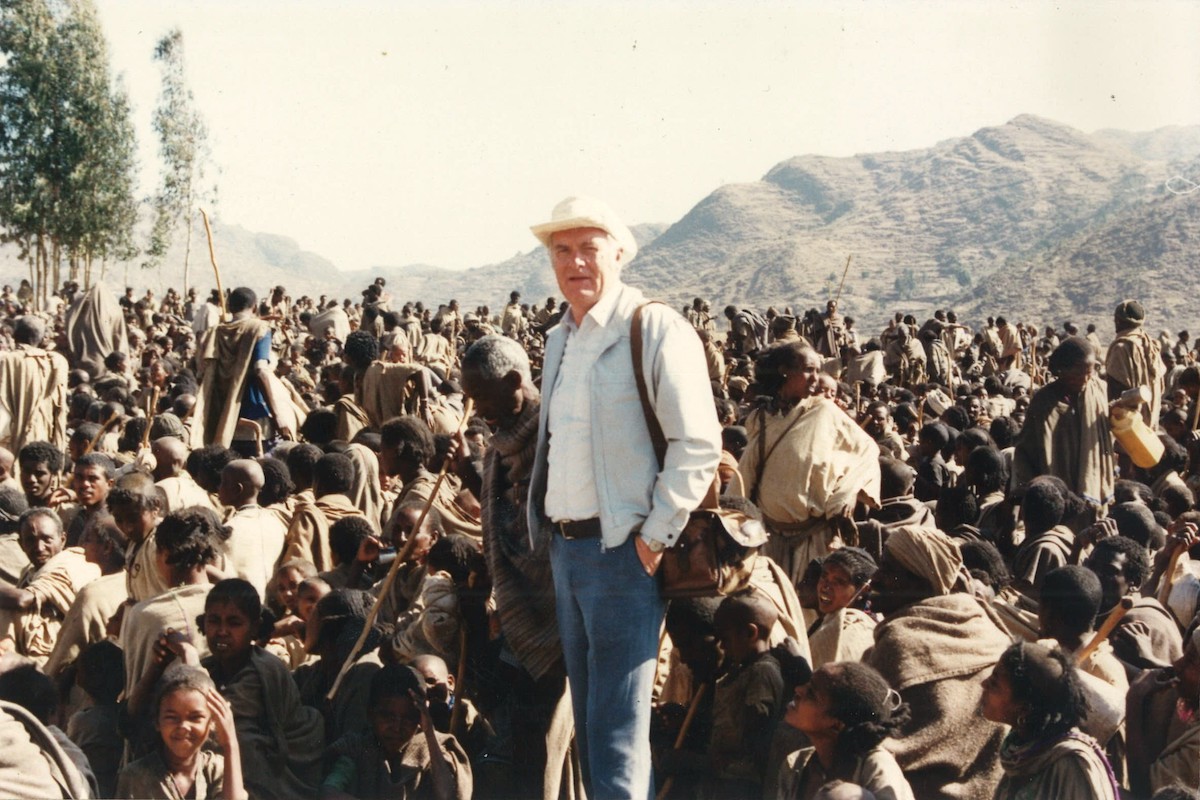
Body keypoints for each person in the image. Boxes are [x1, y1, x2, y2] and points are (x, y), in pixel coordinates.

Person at [525, 196, 722, 798]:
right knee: (592, 726)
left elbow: (698, 444)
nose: (576, 262)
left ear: (618, 253)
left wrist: (652, 540)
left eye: (589, 249)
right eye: (563, 251)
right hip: (569, 553)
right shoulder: (562, 337)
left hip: (622, 556)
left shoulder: (654, 327)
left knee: (616, 733)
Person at [864, 526, 1011, 800]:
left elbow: (859, 726)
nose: (876, 578)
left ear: (921, 582)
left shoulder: (900, 639)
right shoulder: (987, 625)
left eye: (889, 570)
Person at [734, 341, 881, 583]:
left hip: (815, 540)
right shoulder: (760, 419)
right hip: (767, 539)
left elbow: (866, 450)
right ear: (784, 371)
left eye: (817, 370)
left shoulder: (826, 411)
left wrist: (844, 494)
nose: (815, 377)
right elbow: (747, 474)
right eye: (808, 370)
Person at [980, 641, 1119, 800]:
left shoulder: (1069, 766)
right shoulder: (1023, 749)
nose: (983, 684)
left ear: (1024, 708)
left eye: (994, 683)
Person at [321, 663, 472, 800]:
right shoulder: (357, 747)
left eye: (408, 718)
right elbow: (329, 791)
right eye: (387, 716)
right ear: (370, 714)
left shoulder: (434, 750)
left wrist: (430, 734)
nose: (397, 727)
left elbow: (448, 795)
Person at [774, 661, 914, 800]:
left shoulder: (877, 767)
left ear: (836, 725)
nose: (798, 689)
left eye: (811, 693)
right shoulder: (795, 765)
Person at [116, 664, 248, 800]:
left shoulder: (216, 769)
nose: (183, 726)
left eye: (195, 717)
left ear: (212, 722)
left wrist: (230, 742)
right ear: (157, 721)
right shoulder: (137, 776)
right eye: (172, 717)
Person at [1012, 336, 1114, 507]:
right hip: (1058, 487)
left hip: (1093, 486)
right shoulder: (1044, 402)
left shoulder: (1098, 390)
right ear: (1062, 372)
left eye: (1089, 373)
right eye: (1077, 375)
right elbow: (1026, 449)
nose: (1085, 380)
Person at [193, 287, 297, 453]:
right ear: (254, 307)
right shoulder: (259, 329)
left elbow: (202, 374)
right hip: (253, 415)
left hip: (220, 417)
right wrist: (277, 415)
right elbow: (260, 370)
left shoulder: (216, 332)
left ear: (229, 307)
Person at [0, 315, 68, 456]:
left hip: (8, 443)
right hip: (44, 439)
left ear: (15, 335)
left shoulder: (7, 361)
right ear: (43, 338)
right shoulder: (57, 362)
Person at [1105, 299, 1164, 427]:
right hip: (1151, 422)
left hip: (1129, 426)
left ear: (1118, 321)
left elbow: (1116, 391)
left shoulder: (1120, 348)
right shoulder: (1150, 345)